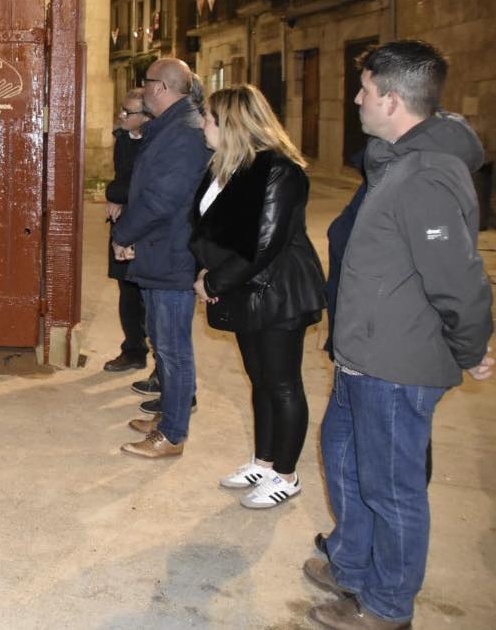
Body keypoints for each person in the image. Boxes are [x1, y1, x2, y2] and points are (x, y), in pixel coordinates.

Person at [306, 40, 493, 630]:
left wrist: (475, 345)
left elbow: (458, 277)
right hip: (362, 352)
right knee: (344, 462)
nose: (357, 98)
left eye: (364, 89)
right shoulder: (395, 159)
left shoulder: (427, 174)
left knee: (391, 489)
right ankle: (353, 564)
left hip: (395, 363)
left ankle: (388, 606)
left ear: (390, 98)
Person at [178, 85, 325, 509]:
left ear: (231, 124)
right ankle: (264, 461)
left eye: (208, 118)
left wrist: (214, 282)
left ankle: (287, 474)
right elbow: (208, 232)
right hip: (243, 286)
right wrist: (207, 272)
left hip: (279, 291)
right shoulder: (225, 167)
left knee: (282, 383)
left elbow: (265, 245)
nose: (202, 124)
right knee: (259, 379)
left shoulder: (280, 170)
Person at [112, 57, 211, 458]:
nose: (144, 89)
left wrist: (125, 232)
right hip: (160, 250)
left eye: (147, 82)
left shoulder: (185, 133)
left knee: (173, 347)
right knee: (163, 341)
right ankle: (167, 417)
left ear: (162, 87)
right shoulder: (170, 127)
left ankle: (172, 434)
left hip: (173, 252)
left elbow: (161, 199)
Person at [102, 88, 153, 376]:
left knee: (153, 296)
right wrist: (118, 194)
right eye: (122, 109)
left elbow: (138, 186)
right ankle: (133, 350)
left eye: (128, 112)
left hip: (147, 227)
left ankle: (162, 367)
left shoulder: (156, 143)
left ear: (147, 116)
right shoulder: (123, 138)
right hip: (123, 224)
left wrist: (114, 194)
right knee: (127, 290)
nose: (121, 116)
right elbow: (123, 178)